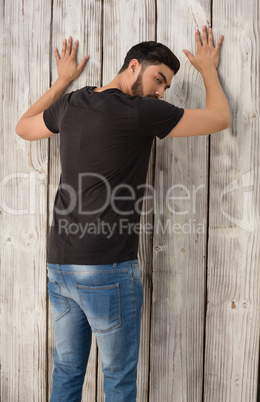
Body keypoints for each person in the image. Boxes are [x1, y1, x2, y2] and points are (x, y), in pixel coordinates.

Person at [16, 26, 231, 402]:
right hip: (106, 270)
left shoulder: (71, 104)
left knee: (67, 371)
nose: (161, 92)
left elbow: (24, 127)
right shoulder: (141, 112)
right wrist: (209, 70)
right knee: (118, 380)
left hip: (60, 266)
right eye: (158, 79)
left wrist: (62, 82)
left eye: (165, 86)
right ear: (134, 67)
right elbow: (219, 119)